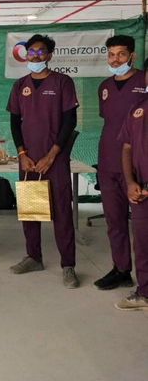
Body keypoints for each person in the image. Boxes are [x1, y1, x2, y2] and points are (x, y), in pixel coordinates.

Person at [6, 34, 80, 288]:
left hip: (54, 159)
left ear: (49, 55)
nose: (36, 56)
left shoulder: (62, 82)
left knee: (62, 213)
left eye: (41, 51)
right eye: (31, 52)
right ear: (25, 55)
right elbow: (14, 122)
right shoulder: (20, 85)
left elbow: (70, 122)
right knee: (30, 210)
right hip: (28, 159)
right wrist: (22, 154)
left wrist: (52, 154)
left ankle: (68, 265)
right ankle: (34, 257)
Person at [94, 35, 146, 290]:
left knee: (142, 226)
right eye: (111, 55)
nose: (115, 60)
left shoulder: (143, 82)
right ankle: (121, 269)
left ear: (132, 56)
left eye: (121, 54)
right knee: (114, 221)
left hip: (138, 165)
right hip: (108, 161)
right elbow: (110, 121)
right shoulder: (104, 87)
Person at [115, 58, 148, 311]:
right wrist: (129, 182)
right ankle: (144, 293)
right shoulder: (138, 108)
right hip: (140, 190)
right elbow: (126, 148)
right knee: (143, 244)